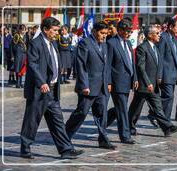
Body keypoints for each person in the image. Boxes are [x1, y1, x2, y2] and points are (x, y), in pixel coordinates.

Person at [20, 17, 84, 159]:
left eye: (58, 30)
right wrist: (41, 82)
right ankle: (25, 148)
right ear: (45, 30)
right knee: (32, 120)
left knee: (58, 121)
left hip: (53, 90)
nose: (57, 33)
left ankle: (65, 149)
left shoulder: (53, 43)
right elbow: (33, 64)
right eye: (54, 30)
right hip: (40, 89)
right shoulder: (35, 44)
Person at [65, 21, 116, 150]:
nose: (104, 36)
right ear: (94, 32)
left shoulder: (104, 45)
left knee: (102, 114)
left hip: (102, 87)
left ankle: (103, 139)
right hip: (88, 87)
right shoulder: (85, 43)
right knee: (81, 113)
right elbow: (81, 66)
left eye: (106, 33)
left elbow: (107, 66)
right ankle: (65, 137)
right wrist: (84, 85)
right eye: (102, 33)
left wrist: (108, 82)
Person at [128, 25, 177, 137]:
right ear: (150, 35)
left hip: (154, 84)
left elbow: (159, 63)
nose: (159, 35)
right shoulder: (142, 48)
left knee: (158, 108)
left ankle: (167, 128)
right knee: (136, 109)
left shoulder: (156, 48)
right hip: (144, 85)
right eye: (157, 33)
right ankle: (129, 127)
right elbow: (141, 67)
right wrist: (148, 83)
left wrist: (159, 77)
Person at [107, 19, 138, 144]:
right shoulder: (111, 43)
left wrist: (134, 77)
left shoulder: (128, 43)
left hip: (128, 80)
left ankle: (103, 122)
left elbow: (131, 62)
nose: (129, 34)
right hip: (117, 81)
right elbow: (108, 65)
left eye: (130, 32)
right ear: (120, 30)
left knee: (120, 108)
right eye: (127, 32)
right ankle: (125, 135)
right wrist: (109, 82)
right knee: (122, 109)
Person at [153, 18, 177, 122]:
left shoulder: (174, 38)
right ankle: (158, 115)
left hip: (173, 74)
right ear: (170, 27)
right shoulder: (163, 38)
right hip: (165, 74)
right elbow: (160, 57)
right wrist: (159, 75)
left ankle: (163, 118)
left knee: (169, 98)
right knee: (168, 97)